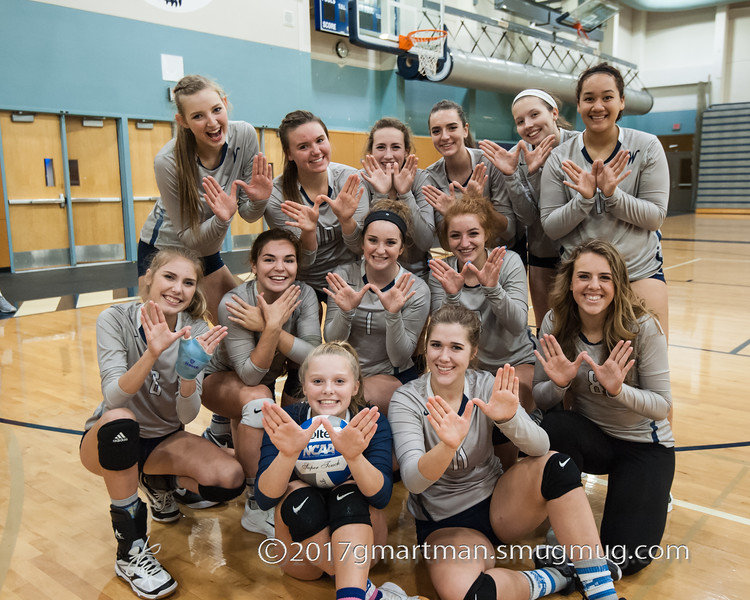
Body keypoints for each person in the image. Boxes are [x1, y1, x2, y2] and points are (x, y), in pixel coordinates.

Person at [388, 304, 622, 600]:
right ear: (426, 346)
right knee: (470, 595)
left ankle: (602, 592)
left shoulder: (486, 385)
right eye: (436, 345)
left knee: (557, 466)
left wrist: (509, 419)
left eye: (456, 347)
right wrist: (448, 445)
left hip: (500, 503)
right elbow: (413, 480)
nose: (443, 357)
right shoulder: (407, 400)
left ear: (472, 353)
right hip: (445, 523)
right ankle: (558, 575)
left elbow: (540, 447)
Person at [79, 247, 244, 599]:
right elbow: (114, 397)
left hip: (163, 439)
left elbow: (186, 417)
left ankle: (156, 481)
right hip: (109, 439)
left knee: (229, 479)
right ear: (148, 279)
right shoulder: (115, 319)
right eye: (170, 277)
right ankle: (131, 550)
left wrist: (188, 374)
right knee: (121, 420)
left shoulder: (196, 328)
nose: (178, 289)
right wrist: (152, 352)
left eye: (188, 282)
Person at [534, 239, 674, 575]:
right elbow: (541, 398)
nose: (593, 286)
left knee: (630, 557)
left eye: (604, 278)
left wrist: (618, 390)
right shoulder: (556, 322)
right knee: (554, 426)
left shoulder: (642, 327)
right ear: (570, 282)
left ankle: (579, 567)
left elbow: (662, 405)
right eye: (583, 276)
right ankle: (565, 520)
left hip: (644, 446)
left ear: (618, 284)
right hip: (593, 437)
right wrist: (560, 384)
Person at [255, 342, 419, 600]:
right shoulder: (288, 421)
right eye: (318, 381)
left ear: (355, 387)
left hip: (363, 548)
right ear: (304, 385)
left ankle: (353, 592)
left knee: (348, 492)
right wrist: (288, 455)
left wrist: (354, 457)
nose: (328, 390)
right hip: (301, 558)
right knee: (297, 491)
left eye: (339, 381)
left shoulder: (368, 422)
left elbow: (381, 497)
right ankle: (364, 592)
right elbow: (264, 498)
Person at [201, 228, 322, 536]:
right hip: (221, 381)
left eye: (289, 260)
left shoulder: (304, 294)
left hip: (263, 380)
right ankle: (256, 505)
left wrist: (271, 327)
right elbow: (249, 374)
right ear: (253, 265)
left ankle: (220, 435)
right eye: (269, 259)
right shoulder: (235, 302)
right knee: (258, 400)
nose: (280, 268)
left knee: (309, 387)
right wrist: (271, 328)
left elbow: (312, 357)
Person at [539, 62, 670, 336]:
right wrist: (583, 201)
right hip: (582, 279)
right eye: (589, 99)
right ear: (578, 105)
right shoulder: (559, 157)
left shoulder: (646, 146)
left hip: (638, 271)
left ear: (621, 102)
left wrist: (613, 195)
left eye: (607, 97)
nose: (597, 106)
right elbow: (551, 226)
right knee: (576, 367)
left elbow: (655, 216)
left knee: (648, 365)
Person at [138, 74, 273, 321]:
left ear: (224, 102)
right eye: (198, 116)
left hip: (207, 244)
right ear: (183, 121)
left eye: (216, 110)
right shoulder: (168, 161)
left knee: (238, 323)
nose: (212, 122)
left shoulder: (244, 135)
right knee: (163, 334)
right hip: (164, 249)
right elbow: (191, 239)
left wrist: (260, 199)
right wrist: (222, 220)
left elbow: (248, 214)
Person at [242, 110, 370, 301]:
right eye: (303, 146)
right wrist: (308, 233)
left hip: (347, 278)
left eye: (320, 140)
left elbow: (359, 248)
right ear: (289, 154)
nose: (316, 151)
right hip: (301, 281)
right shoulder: (278, 195)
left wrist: (346, 221)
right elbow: (303, 262)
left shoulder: (350, 180)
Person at [428, 193, 535, 419]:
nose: (465, 243)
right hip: (468, 367)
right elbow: (441, 333)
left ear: (486, 234)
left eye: (473, 233)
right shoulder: (442, 272)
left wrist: (493, 289)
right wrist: (453, 295)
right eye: (455, 236)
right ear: (447, 240)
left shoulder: (509, 262)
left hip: (514, 361)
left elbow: (517, 325)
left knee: (512, 400)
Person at [480, 89, 578, 329]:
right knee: (548, 330)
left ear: (554, 112)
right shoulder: (520, 156)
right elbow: (528, 216)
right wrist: (513, 175)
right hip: (541, 253)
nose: (528, 125)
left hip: (579, 253)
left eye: (535, 114)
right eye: (520, 121)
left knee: (582, 326)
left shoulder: (579, 144)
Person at [324, 201, 430, 414]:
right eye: (372, 240)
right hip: (346, 374)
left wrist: (393, 314)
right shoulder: (344, 277)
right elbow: (332, 342)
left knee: (348, 398)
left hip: (393, 375)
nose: (380, 250)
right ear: (362, 244)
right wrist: (346, 312)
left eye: (390, 243)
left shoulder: (416, 289)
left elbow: (399, 358)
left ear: (401, 248)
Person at [422, 99, 515, 249]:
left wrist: (479, 205)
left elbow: (509, 231)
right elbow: (441, 245)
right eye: (436, 131)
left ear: (465, 130)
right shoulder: (429, 177)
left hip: (499, 254)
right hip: (461, 256)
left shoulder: (490, 164)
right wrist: (451, 214)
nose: (444, 136)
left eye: (452, 128)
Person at [360, 117, 435, 279]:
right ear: (371, 152)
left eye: (395, 147)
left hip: (416, 277)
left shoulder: (421, 179)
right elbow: (359, 243)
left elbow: (425, 241)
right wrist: (380, 194)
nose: (388, 155)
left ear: (406, 151)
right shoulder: (363, 181)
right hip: (373, 274)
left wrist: (406, 194)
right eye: (380, 147)